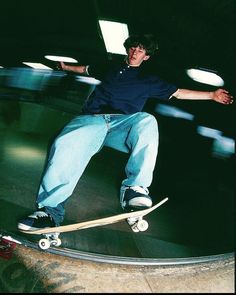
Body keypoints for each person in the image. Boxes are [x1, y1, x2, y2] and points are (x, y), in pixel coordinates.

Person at [18, 34, 233, 231]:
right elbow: (85, 69)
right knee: (65, 142)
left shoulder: (149, 80)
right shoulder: (109, 67)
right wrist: (66, 66)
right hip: (92, 120)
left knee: (147, 120)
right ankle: (49, 211)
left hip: (122, 125)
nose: (134, 52)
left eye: (140, 50)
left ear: (146, 57)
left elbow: (179, 93)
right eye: (132, 48)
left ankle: (134, 188)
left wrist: (211, 95)